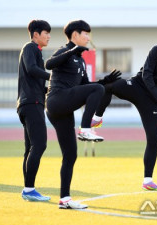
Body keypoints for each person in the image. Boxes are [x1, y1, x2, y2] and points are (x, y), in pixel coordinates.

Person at [91, 24, 157, 191]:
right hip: (138, 87)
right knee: (109, 85)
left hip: (152, 102)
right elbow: (146, 75)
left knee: (154, 139)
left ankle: (147, 180)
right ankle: (97, 118)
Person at [45, 20, 119, 209]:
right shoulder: (65, 50)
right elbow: (48, 64)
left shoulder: (81, 58)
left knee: (70, 155)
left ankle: (65, 199)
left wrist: (105, 82)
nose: (88, 37)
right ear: (75, 35)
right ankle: (85, 129)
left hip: (63, 108)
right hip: (56, 100)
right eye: (85, 34)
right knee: (95, 90)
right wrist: (72, 51)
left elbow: (87, 87)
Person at [17, 19, 51, 202]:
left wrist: (51, 89)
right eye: (46, 33)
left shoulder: (35, 51)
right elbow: (32, 69)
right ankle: (29, 190)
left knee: (30, 148)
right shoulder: (30, 48)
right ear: (36, 34)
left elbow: (36, 80)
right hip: (32, 103)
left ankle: (28, 189)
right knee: (40, 145)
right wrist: (53, 76)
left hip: (29, 102)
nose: (49, 36)